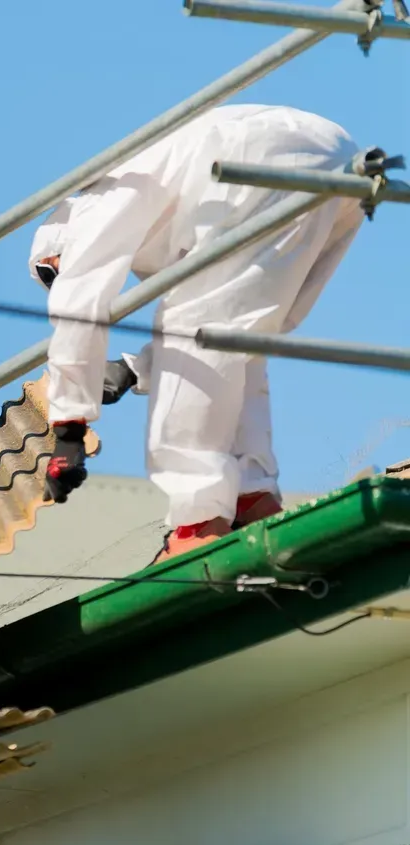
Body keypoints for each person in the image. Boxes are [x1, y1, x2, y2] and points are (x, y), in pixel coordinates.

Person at [27, 104, 365, 562]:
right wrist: (136, 369)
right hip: (339, 160)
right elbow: (219, 330)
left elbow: (79, 306)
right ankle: (252, 495)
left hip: (250, 156)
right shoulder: (166, 210)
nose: (58, 283)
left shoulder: (92, 206)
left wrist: (69, 426)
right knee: (242, 341)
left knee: (199, 326)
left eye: (53, 274)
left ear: (53, 248)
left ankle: (198, 522)